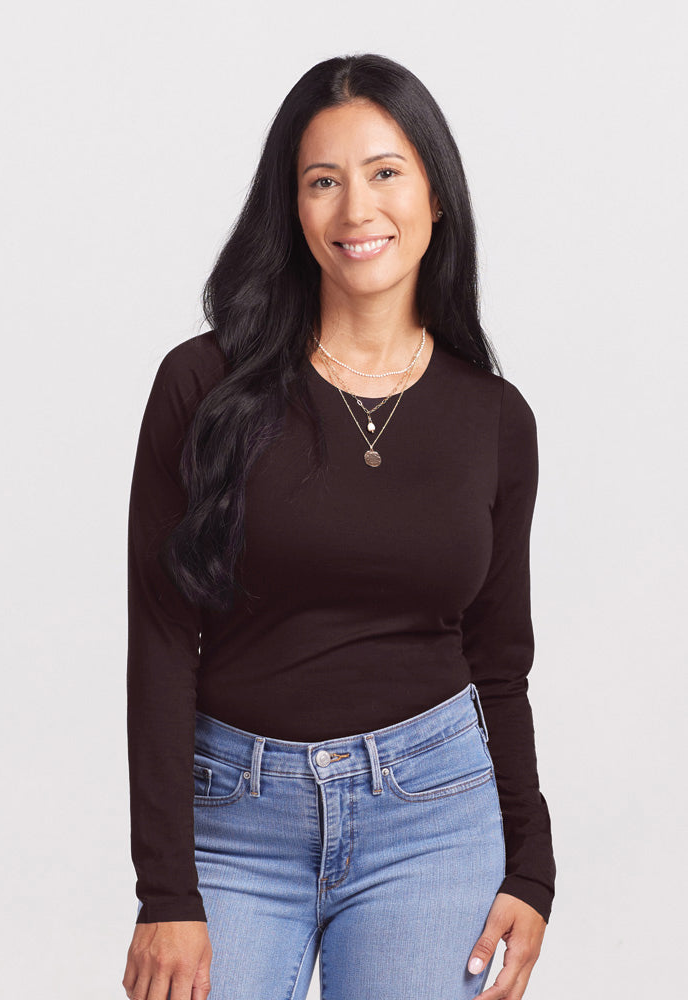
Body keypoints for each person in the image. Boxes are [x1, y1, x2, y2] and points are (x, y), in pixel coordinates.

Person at [121, 53, 555, 1000]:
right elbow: (161, 641)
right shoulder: (203, 388)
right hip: (233, 820)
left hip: (434, 819)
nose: (357, 209)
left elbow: (500, 656)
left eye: (385, 172)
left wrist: (532, 867)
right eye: (323, 181)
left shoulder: (494, 418)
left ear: (436, 196)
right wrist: (166, 893)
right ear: (294, 209)